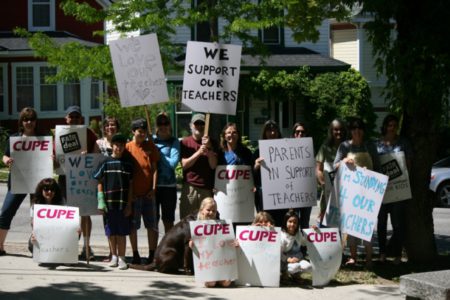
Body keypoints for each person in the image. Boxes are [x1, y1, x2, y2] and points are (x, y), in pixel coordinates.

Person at [333, 117, 380, 267]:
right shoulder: (344, 146)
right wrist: (344, 161)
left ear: (363, 131)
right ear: (350, 131)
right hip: (351, 191)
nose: (357, 131)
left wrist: (369, 173)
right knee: (352, 224)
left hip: (368, 192)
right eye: (353, 129)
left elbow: (378, 167)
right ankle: (353, 257)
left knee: (367, 225)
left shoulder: (370, 146)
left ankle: (368, 258)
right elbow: (335, 165)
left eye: (359, 128)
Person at [0, 107, 45, 256]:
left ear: (36, 121)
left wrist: (52, 159)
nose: (29, 122)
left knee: (37, 216)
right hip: (18, 181)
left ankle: (36, 246)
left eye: (32, 119)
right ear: (21, 122)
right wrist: (7, 160)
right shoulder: (15, 139)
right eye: (26, 119)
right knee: (6, 212)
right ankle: (0, 245)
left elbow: (50, 158)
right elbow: (4, 156)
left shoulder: (42, 139)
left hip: (38, 183)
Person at [58, 105, 98, 260]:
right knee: (68, 213)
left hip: (82, 176)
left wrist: (89, 154)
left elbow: (96, 154)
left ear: (81, 118)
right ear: (66, 119)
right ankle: (68, 246)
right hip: (64, 177)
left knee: (85, 213)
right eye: (71, 116)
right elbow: (55, 159)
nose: (73, 119)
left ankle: (86, 247)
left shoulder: (88, 133)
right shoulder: (60, 134)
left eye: (76, 116)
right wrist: (53, 160)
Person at [94, 133, 133, 270]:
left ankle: (122, 257)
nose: (119, 147)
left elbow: (131, 186)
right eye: (117, 145)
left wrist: (129, 204)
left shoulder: (128, 164)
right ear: (112, 146)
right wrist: (100, 200)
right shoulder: (104, 162)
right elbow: (99, 181)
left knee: (121, 232)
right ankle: (114, 256)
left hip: (122, 204)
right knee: (111, 231)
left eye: (122, 145)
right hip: (108, 204)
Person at [376, 114, 412, 264]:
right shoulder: (377, 144)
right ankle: (383, 253)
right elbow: (374, 164)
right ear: (385, 126)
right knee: (382, 222)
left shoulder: (403, 142)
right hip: (381, 191)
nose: (392, 128)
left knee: (398, 223)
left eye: (395, 125)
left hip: (398, 189)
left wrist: (402, 179)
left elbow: (408, 163)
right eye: (389, 125)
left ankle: (397, 255)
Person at [126, 118, 160, 264]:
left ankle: (152, 254)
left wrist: (153, 188)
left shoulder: (150, 145)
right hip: (134, 195)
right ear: (133, 131)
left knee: (151, 225)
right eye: (140, 131)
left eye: (144, 131)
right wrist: (129, 193)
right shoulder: (127, 147)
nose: (142, 134)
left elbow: (154, 168)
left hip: (148, 194)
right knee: (133, 226)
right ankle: (135, 254)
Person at [179, 113, 218, 219]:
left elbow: (213, 165)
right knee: (187, 222)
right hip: (190, 188)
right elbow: (185, 165)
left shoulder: (213, 143)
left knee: (206, 222)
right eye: (197, 124)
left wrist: (209, 148)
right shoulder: (184, 142)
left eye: (202, 124)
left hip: (207, 189)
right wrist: (198, 153)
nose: (199, 126)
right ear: (191, 125)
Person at [189, 197, 233, 288]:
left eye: (214, 211)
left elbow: (228, 242)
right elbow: (192, 248)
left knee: (226, 283)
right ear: (201, 210)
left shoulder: (221, 224)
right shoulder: (196, 225)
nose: (211, 213)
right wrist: (192, 245)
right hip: (205, 264)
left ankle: (219, 277)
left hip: (220, 263)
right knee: (211, 283)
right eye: (208, 210)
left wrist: (234, 243)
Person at [94, 116, 121, 262]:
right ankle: (112, 253)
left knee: (119, 220)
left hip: (119, 186)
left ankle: (119, 253)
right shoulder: (99, 143)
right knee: (107, 221)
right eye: (108, 125)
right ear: (104, 128)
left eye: (113, 125)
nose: (111, 127)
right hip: (104, 187)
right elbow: (92, 161)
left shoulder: (122, 143)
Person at [253, 120, 286, 226]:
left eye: (274, 130)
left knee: (281, 222)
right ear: (264, 133)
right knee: (265, 222)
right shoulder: (258, 152)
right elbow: (252, 176)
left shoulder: (285, 150)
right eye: (269, 130)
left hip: (282, 194)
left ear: (278, 132)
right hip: (264, 195)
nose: (272, 133)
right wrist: (256, 166)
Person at [315, 119, 347, 225]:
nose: (339, 132)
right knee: (325, 222)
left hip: (345, 194)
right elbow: (318, 169)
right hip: (328, 194)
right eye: (336, 130)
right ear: (331, 131)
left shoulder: (348, 146)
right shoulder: (325, 147)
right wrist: (325, 184)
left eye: (341, 129)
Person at [153, 113, 180, 235]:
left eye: (166, 123)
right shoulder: (151, 140)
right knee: (153, 220)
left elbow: (173, 164)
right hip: (152, 187)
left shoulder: (174, 141)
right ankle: (153, 251)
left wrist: (159, 154)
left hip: (169, 187)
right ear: (156, 126)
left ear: (170, 125)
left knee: (168, 220)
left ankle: (168, 249)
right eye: (160, 123)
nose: (163, 126)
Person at [28, 178, 64, 253]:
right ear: (41, 190)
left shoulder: (62, 202)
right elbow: (33, 223)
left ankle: (62, 254)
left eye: (52, 189)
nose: (49, 192)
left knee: (76, 233)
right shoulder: (35, 204)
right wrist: (34, 235)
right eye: (46, 189)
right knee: (32, 244)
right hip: (42, 233)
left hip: (58, 232)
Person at [291, 122, 313, 230]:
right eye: (297, 132)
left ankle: (304, 246)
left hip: (306, 193)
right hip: (291, 193)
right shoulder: (286, 149)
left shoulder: (309, 150)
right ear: (294, 134)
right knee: (292, 222)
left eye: (302, 132)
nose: (300, 134)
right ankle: (293, 246)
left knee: (305, 223)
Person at [280, 209, 312, 283]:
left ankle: (296, 275)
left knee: (309, 267)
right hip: (285, 262)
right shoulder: (282, 235)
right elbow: (279, 253)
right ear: (285, 222)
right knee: (295, 267)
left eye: (295, 222)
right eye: (290, 221)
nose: (292, 224)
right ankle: (284, 274)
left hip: (298, 259)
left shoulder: (298, 233)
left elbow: (305, 242)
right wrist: (289, 259)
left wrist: (313, 231)